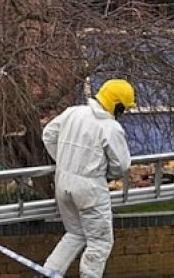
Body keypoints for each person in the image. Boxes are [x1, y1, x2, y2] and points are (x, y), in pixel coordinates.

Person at [41, 79, 134, 278]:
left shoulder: (73, 112)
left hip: (63, 182)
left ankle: (48, 273)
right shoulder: (110, 127)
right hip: (90, 189)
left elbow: (48, 135)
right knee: (100, 242)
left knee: (75, 234)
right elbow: (122, 165)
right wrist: (106, 174)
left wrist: (66, 161)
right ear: (117, 105)